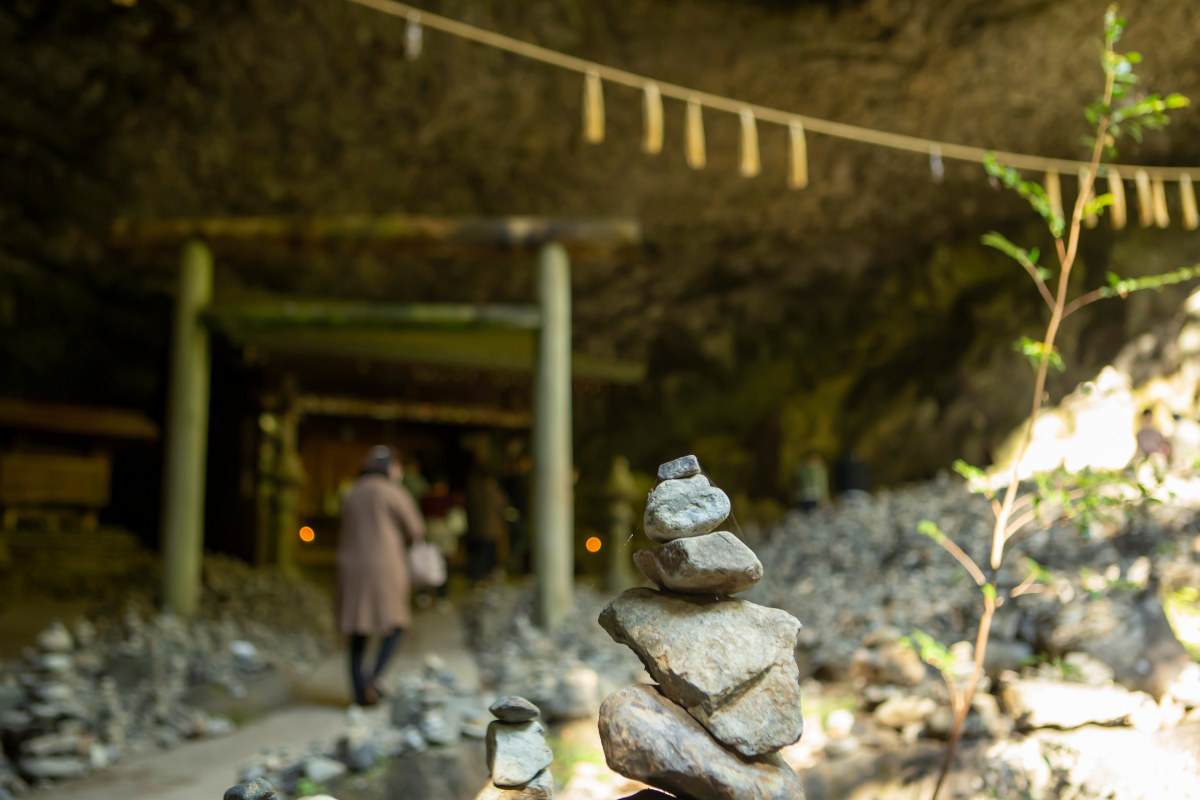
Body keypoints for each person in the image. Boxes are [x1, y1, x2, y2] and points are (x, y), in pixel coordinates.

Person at [336, 445, 425, 707]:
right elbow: (415, 529)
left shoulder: (352, 491)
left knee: (357, 631)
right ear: (389, 467)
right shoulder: (392, 492)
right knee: (395, 625)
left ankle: (358, 692)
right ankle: (373, 680)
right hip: (385, 567)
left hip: (351, 567)